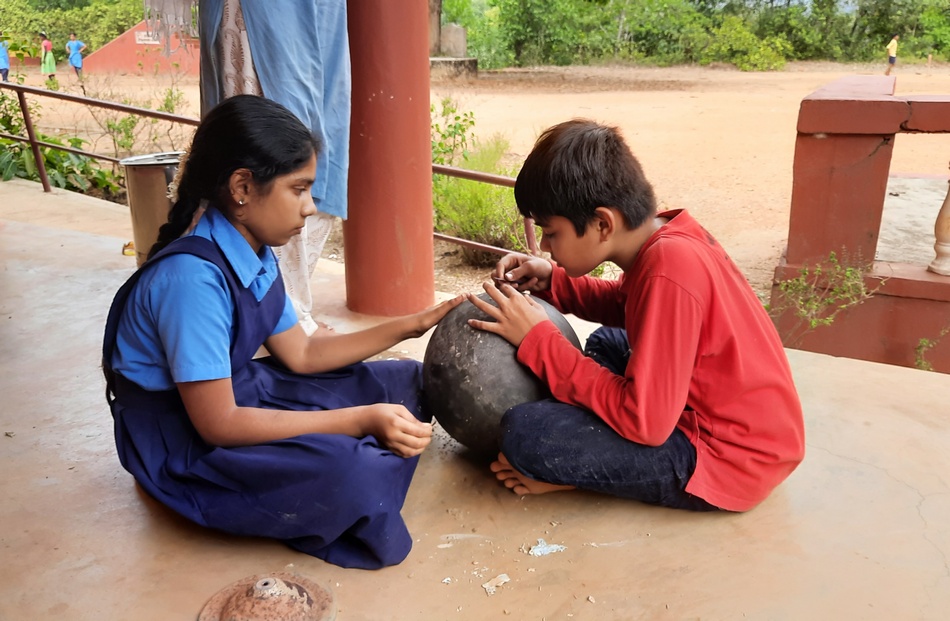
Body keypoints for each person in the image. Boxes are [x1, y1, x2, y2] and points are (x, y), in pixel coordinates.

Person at [101, 95, 464, 569]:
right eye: (299, 189)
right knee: (351, 475)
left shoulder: (253, 249)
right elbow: (219, 425)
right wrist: (359, 419)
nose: (310, 208)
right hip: (182, 434)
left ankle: (365, 446)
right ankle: (360, 457)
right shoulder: (191, 281)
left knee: (405, 380)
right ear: (242, 187)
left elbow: (304, 353)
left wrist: (410, 326)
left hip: (231, 391)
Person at [466, 120, 805, 513]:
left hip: (727, 456)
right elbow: (631, 305)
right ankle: (595, 445)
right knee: (607, 342)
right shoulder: (665, 239)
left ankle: (575, 476)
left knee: (527, 434)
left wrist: (538, 341)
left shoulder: (669, 269)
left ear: (602, 223)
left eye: (551, 232)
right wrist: (554, 282)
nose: (544, 244)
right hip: (739, 422)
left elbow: (646, 422)